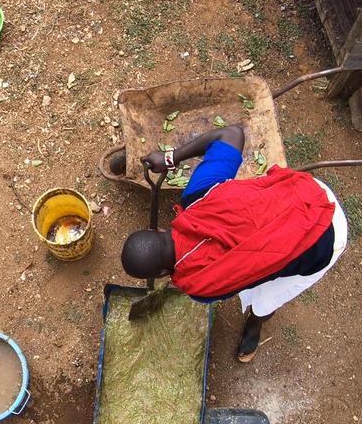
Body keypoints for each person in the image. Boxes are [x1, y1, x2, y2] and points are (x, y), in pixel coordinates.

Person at [120, 125, 347, 362]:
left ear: (164, 273)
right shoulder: (198, 194)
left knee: (266, 297)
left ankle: (256, 321)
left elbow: (236, 270)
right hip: (307, 189)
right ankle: (258, 310)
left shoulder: (200, 285)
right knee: (257, 268)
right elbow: (231, 134)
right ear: (159, 230)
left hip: (325, 237)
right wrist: (170, 158)